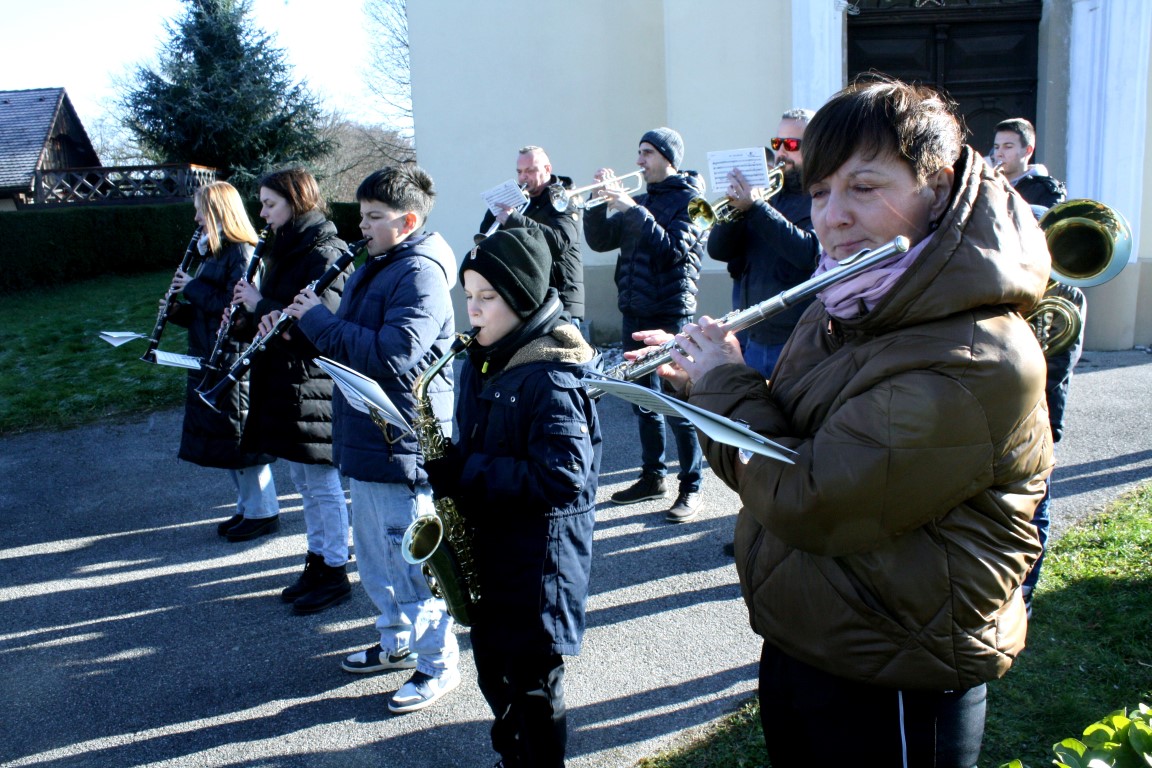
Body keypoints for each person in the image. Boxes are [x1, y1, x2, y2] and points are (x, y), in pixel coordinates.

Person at [644, 78, 1054, 766]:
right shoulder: (845, 299)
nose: (830, 217)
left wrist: (724, 384)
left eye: (864, 187)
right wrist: (703, 386)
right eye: (821, 189)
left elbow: (811, 500)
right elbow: (771, 459)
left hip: (895, 668)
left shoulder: (976, 357)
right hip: (809, 637)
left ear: (938, 186)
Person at [283, 166, 462, 714]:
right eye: (359, 216)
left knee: (408, 559)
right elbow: (358, 341)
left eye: (373, 219)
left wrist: (316, 322)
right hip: (366, 430)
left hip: (401, 433)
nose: (360, 228)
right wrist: (309, 324)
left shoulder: (421, 272)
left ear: (408, 221)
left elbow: (393, 355)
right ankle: (397, 642)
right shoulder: (380, 260)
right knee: (376, 559)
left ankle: (438, 663)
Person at [424, 227, 601, 767]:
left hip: (536, 563)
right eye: (468, 297)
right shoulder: (486, 358)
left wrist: (467, 471)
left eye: (487, 299)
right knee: (492, 668)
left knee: (533, 686)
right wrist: (451, 466)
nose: (472, 312)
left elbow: (562, 477)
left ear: (522, 299)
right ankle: (513, 753)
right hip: (494, 549)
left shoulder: (551, 374)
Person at [230, 167, 353, 614]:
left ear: (297, 201)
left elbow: (322, 324)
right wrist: (244, 320)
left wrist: (259, 304)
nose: (262, 214)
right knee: (303, 481)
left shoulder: (325, 252)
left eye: (269, 204)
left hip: (314, 384)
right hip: (285, 380)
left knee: (323, 483)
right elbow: (275, 320)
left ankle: (335, 569)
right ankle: (317, 559)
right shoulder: (284, 248)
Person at [583, 126, 707, 523]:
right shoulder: (638, 200)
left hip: (669, 314)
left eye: (647, 153)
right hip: (633, 311)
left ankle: (691, 488)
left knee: (677, 405)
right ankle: (652, 477)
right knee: (643, 403)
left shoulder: (693, 201)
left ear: (670, 158)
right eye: (639, 152)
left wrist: (632, 209)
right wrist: (596, 203)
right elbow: (600, 242)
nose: (638, 161)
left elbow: (672, 252)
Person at [166, 181, 279, 539]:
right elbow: (208, 312)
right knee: (227, 441)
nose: (196, 218)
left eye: (201, 210)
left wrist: (191, 287)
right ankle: (247, 507)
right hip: (209, 356)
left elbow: (235, 308)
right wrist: (176, 311)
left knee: (242, 439)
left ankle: (264, 511)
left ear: (218, 212)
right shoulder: (214, 253)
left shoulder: (243, 252)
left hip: (233, 358)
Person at [707, 108, 820, 378]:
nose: (781, 153)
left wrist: (756, 207)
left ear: (815, 146)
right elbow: (718, 251)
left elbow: (809, 254)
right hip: (755, 336)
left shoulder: (821, 195)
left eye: (791, 145)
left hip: (797, 340)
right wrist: (736, 210)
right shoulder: (768, 195)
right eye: (777, 143)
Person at [478, 146, 585, 325]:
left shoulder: (564, 197)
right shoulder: (520, 199)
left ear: (547, 169)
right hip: (529, 298)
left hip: (561, 299)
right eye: (519, 172)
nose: (523, 177)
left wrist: (514, 219)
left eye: (530, 171)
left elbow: (559, 242)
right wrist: (494, 214)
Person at [992, 117, 1067, 209]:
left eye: (1008, 147)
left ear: (1028, 150)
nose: (999, 153)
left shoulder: (1045, 191)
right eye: (996, 147)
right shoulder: (988, 184)